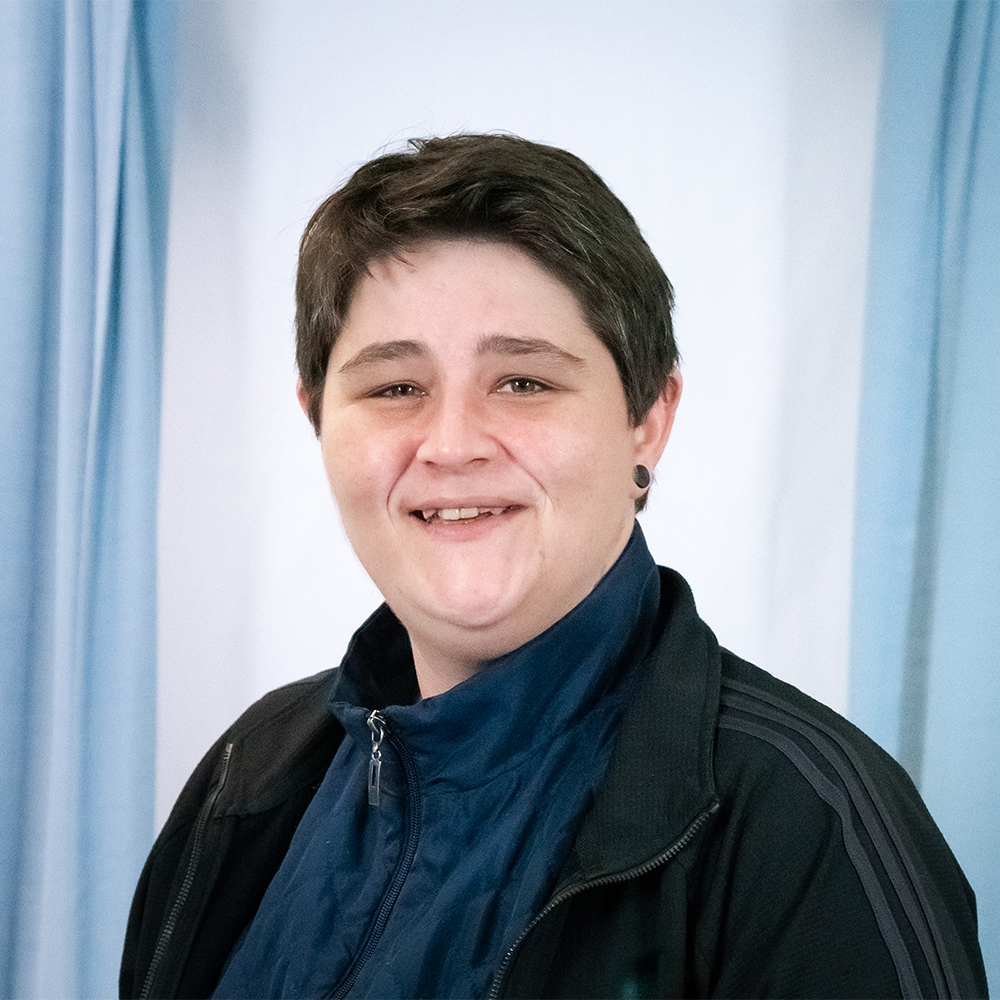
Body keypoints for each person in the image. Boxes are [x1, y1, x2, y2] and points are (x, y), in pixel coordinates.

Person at [120, 134, 988, 1000]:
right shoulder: (249, 772)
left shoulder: (809, 828)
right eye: (394, 388)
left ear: (648, 420)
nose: (452, 444)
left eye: (523, 382)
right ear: (317, 419)